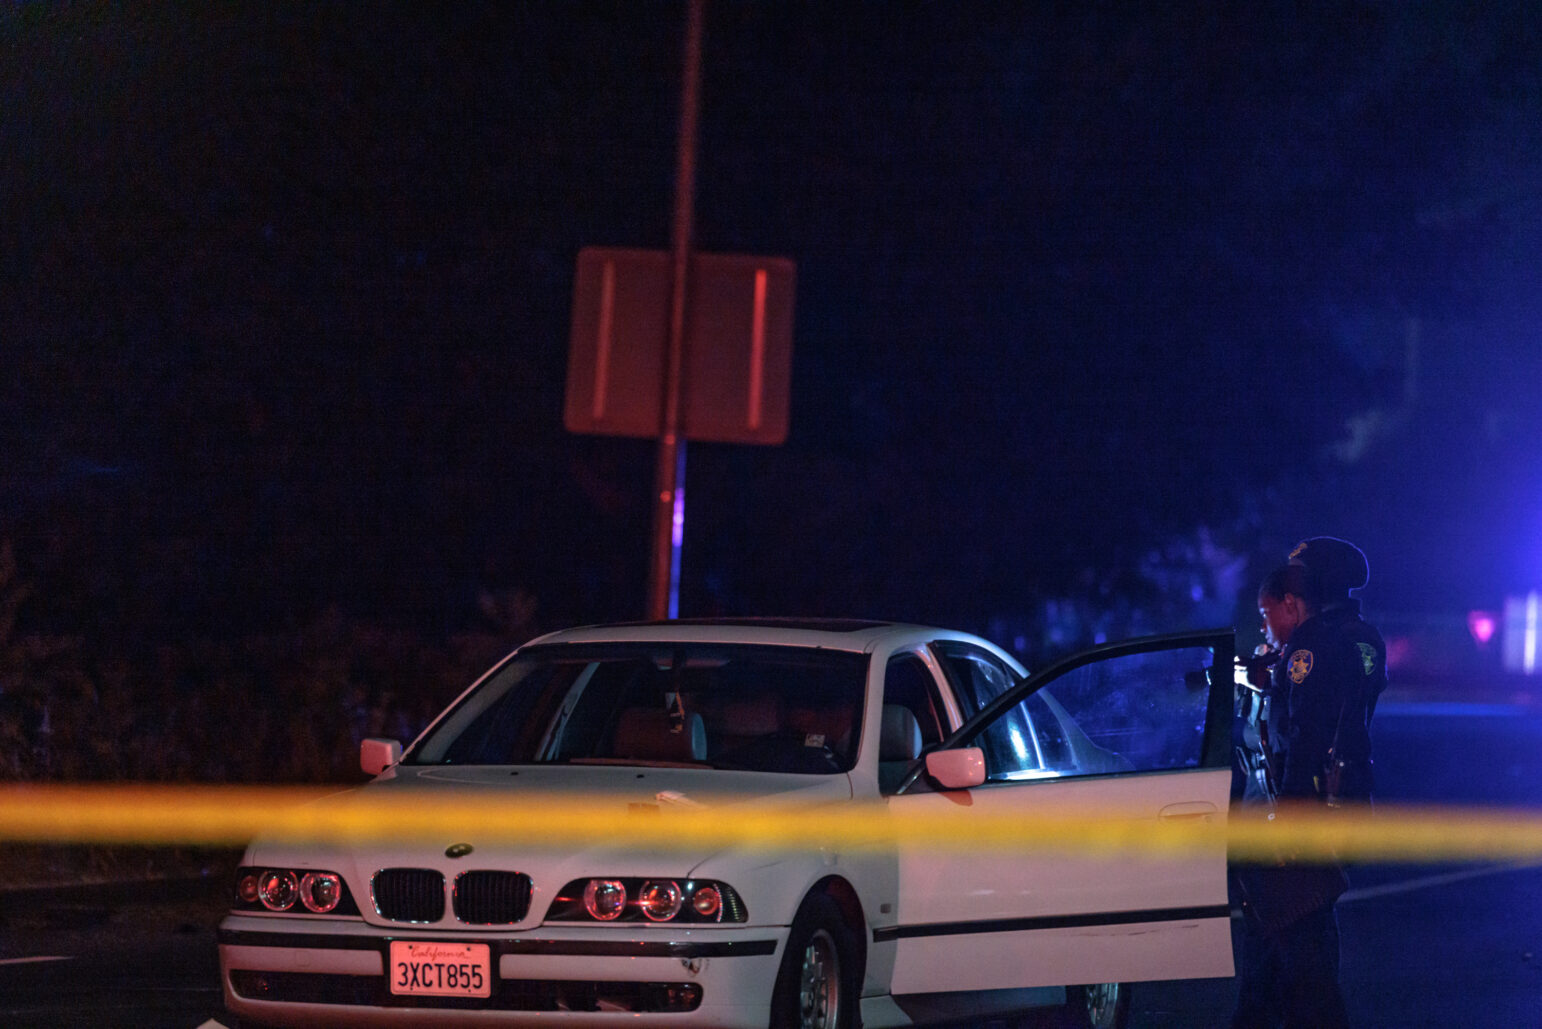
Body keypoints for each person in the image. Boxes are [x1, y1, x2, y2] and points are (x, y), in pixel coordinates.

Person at [1230, 550, 1380, 1029]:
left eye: (1266, 614)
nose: (1264, 627)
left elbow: (1304, 739)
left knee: (1304, 960)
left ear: (1294, 603)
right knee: (1281, 951)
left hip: (1305, 820)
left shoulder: (1309, 650)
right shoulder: (1352, 639)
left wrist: (1288, 825)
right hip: (1327, 813)